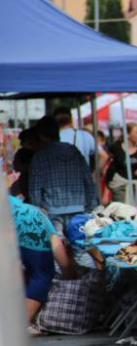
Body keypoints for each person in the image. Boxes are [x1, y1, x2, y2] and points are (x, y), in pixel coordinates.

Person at [8, 195, 75, 324]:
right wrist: (69, 276)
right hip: (29, 231)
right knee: (42, 275)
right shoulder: (34, 213)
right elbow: (61, 255)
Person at [28, 116, 98, 235]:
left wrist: (38, 208)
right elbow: (89, 181)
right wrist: (90, 206)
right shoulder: (74, 152)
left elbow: (35, 188)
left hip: (52, 209)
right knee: (79, 247)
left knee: (57, 246)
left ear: (41, 136)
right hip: (78, 207)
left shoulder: (40, 157)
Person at [107, 123, 137, 205]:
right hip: (120, 184)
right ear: (128, 134)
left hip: (136, 185)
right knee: (121, 209)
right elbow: (107, 164)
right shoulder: (116, 147)